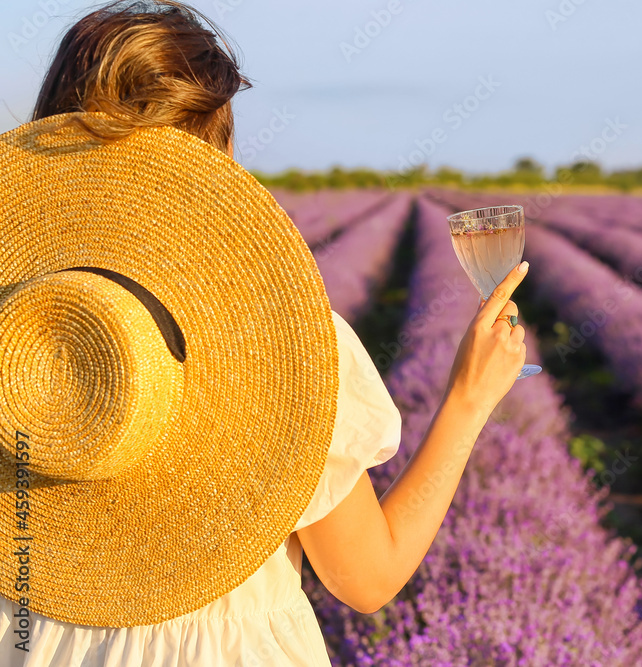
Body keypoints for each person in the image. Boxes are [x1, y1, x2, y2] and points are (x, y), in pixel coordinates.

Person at [0, 1, 527, 664]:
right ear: (215, 154)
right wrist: (468, 401)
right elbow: (366, 579)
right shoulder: (286, 349)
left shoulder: (15, 334)